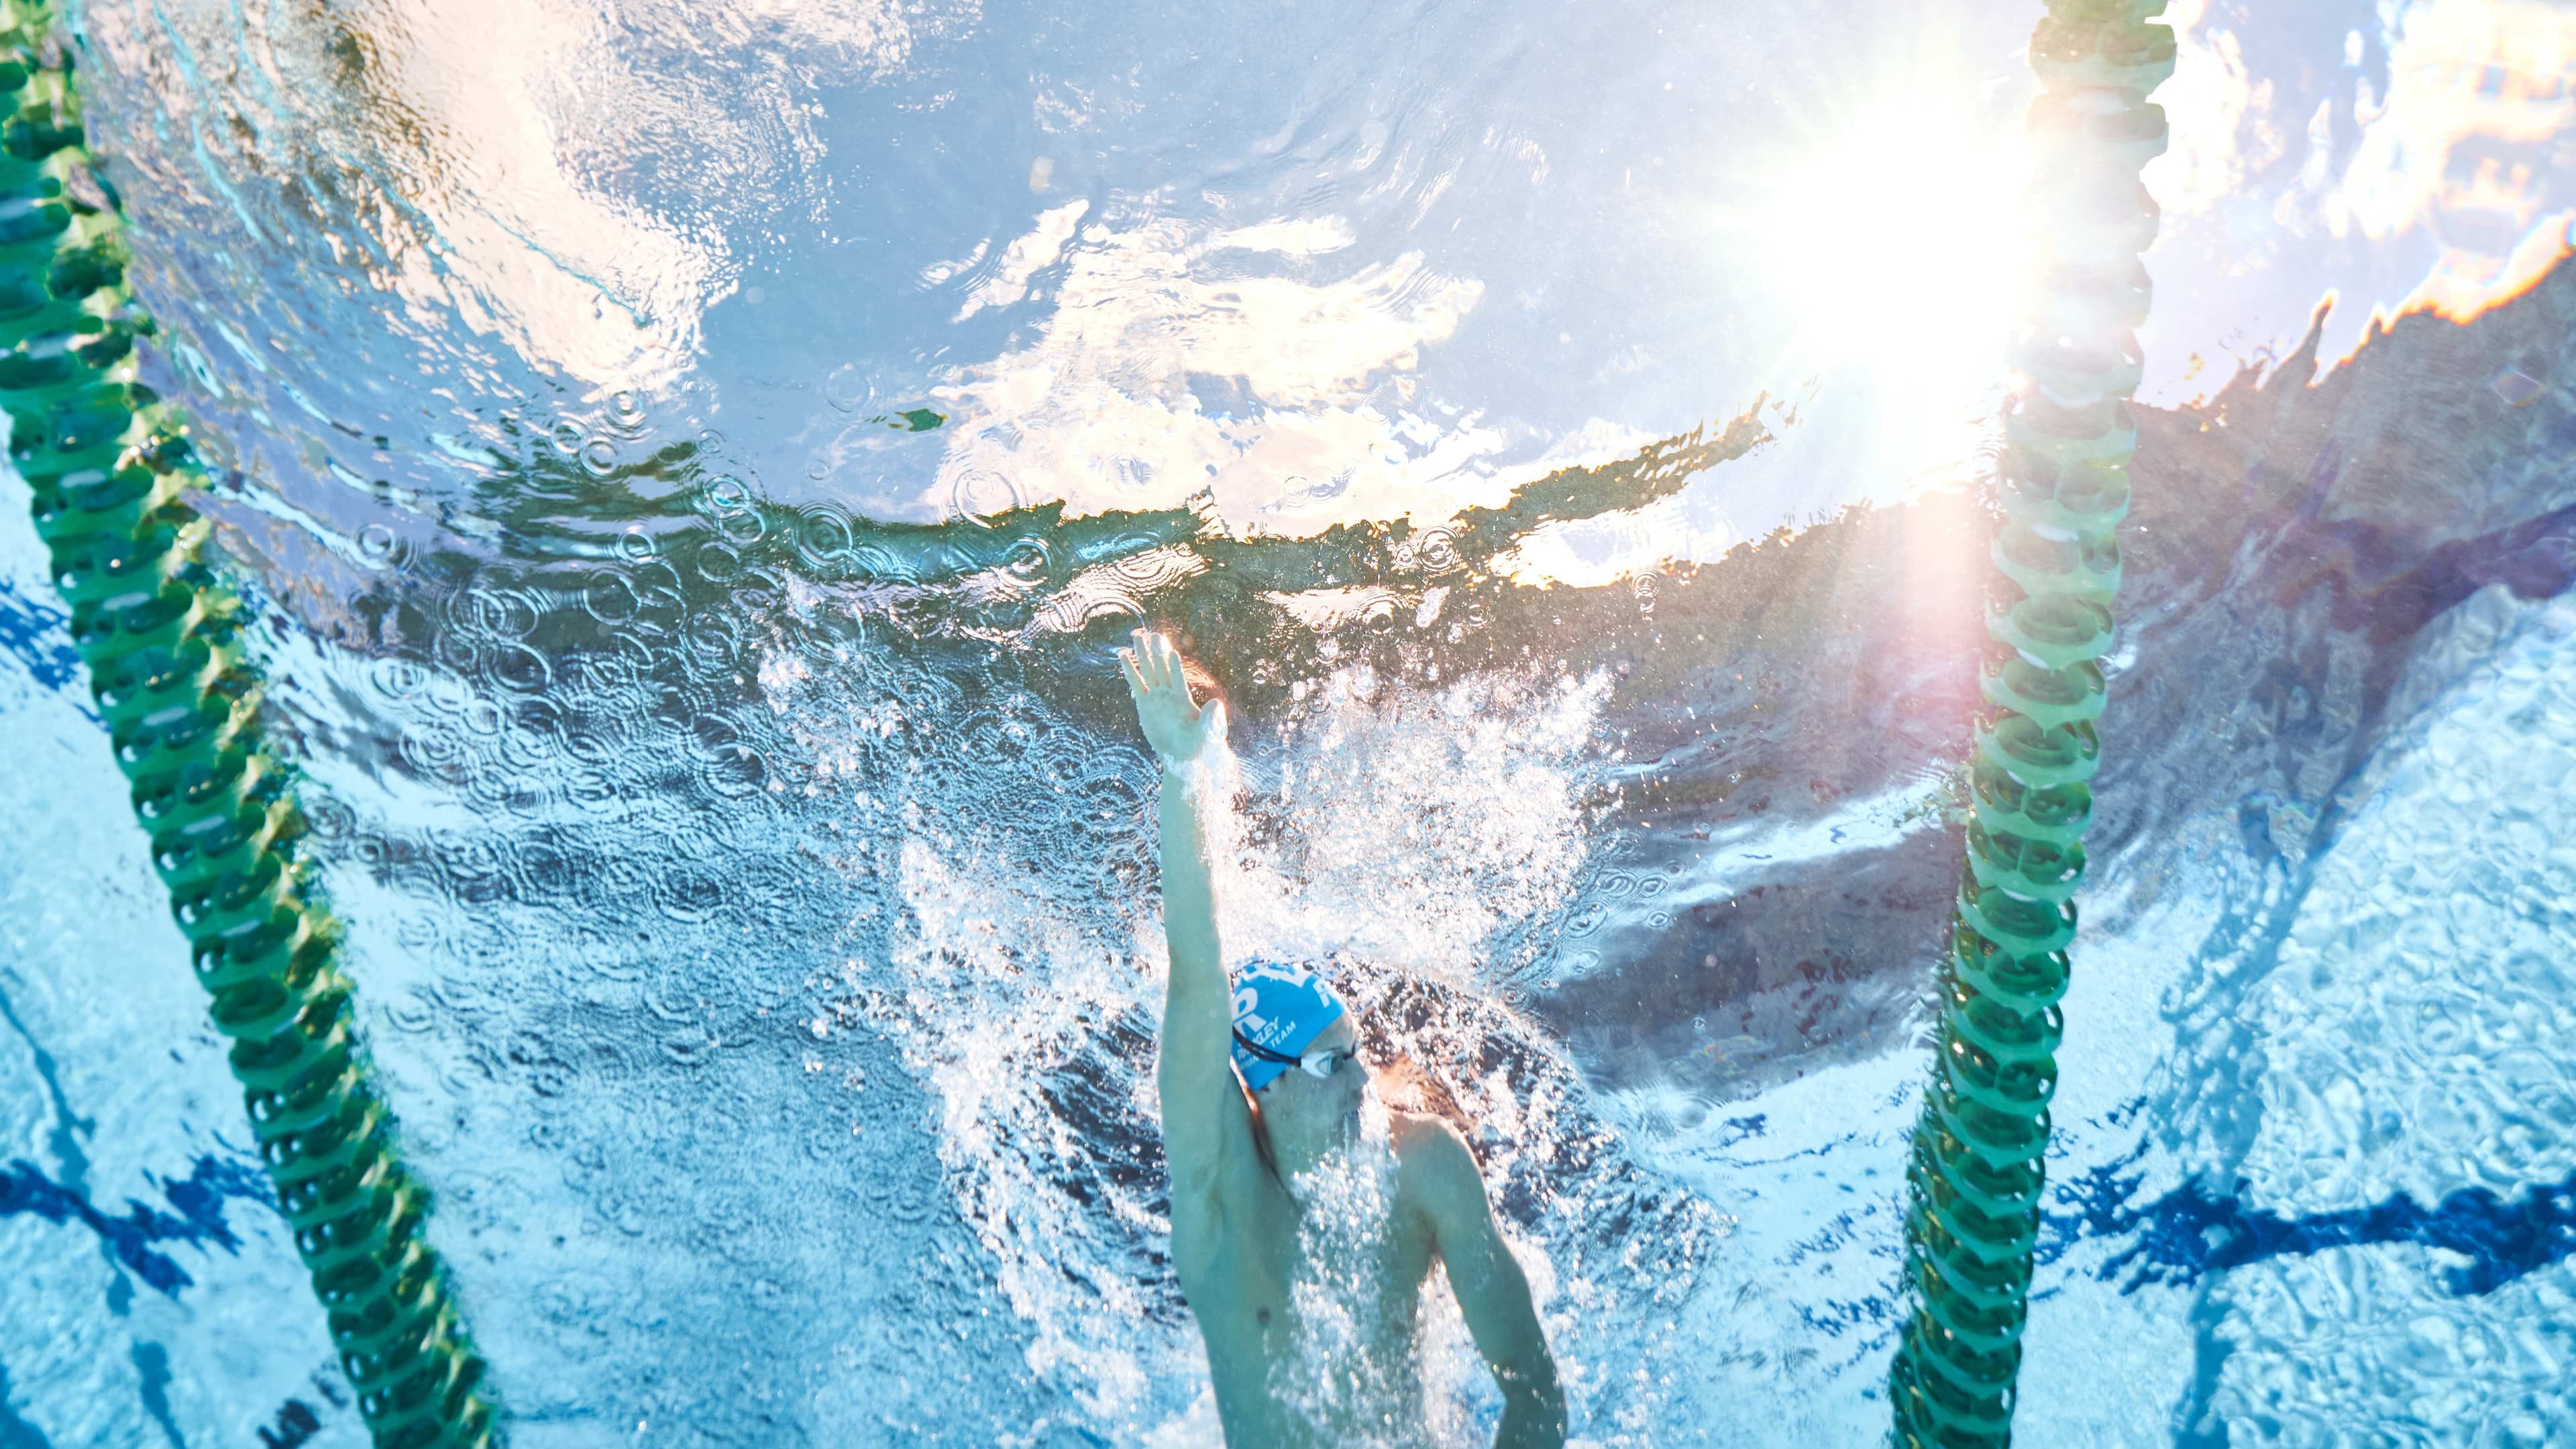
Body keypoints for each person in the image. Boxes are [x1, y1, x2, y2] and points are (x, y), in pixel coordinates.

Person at [1120, 628, 1566, 1448]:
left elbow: (1535, 1396)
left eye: (1358, 1054)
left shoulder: (1424, 1167)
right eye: (1331, 1063)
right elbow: (1195, 978)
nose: (1363, 1083)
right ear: (1264, 1084)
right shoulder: (1221, 1201)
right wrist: (1184, 776)